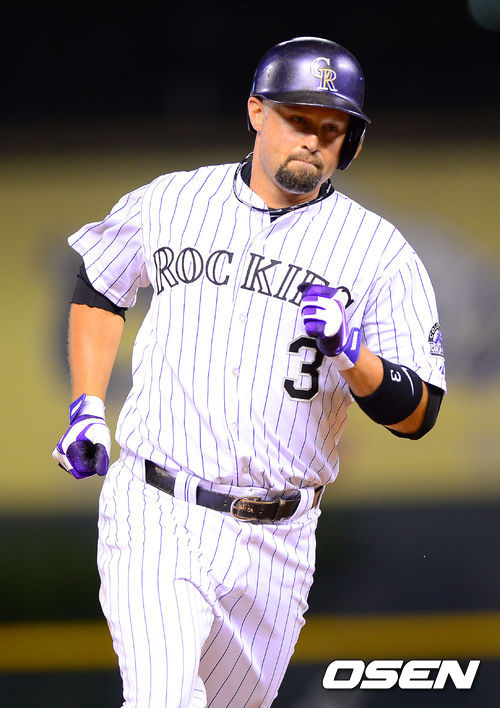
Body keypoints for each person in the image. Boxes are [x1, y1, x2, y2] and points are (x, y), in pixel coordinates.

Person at [53, 36, 446, 708]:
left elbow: (419, 415)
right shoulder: (174, 201)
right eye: (298, 119)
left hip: (279, 539)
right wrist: (87, 405)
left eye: (332, 129)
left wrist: (352, 353)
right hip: (157, 509)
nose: (313, 140)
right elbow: (99, 282)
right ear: (257, 112)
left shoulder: (380, 254)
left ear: (350, 143)